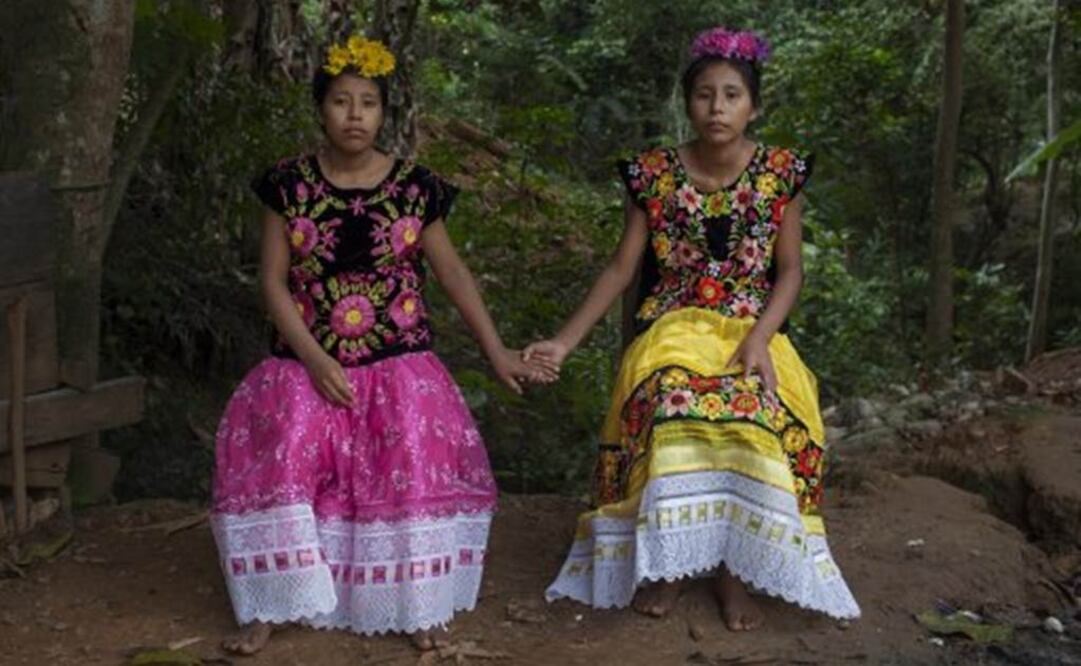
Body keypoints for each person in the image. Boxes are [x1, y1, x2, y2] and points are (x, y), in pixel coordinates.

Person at [210, 35, 553, 654]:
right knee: (286, 453)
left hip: (399, 363)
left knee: (409, 459)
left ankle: (415, 602)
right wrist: (315, 359)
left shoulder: (416, 189)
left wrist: (498, 350)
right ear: (321, 108)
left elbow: (453, 275)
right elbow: (272, 281)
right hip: (304, 361)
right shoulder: (286, 186)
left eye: (368, 103)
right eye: (341, 101)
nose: (355, 115)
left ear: (383, 112)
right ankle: (273, 602)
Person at [525, 27, 860, 629]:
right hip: (673, 328)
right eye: (705, 95)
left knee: (756, 408)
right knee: (672, 400)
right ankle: (672, 564)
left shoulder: (780, 174)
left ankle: (732, 571)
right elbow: (622, 269)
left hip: (752, 330)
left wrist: (759, 338)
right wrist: (563, 342)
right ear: (688, 103)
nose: (717, 108)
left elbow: (790, 272)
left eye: (732, 95)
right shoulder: (653, 174)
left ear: (754, 106)